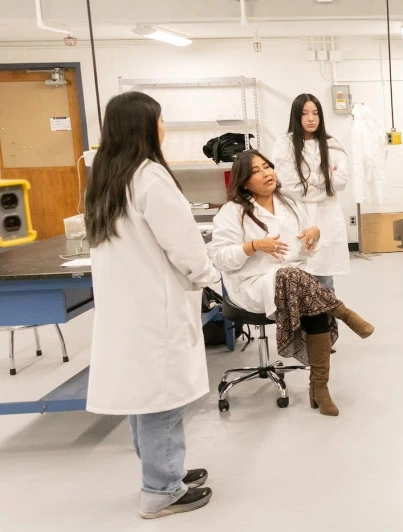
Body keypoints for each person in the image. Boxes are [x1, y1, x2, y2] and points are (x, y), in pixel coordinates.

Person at [84, 91, 220, 518]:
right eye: (160, 120)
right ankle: (161, 488)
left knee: (144, 393)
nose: (164, 127)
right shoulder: (149, 178)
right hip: (154, 307)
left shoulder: (107, 178)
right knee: (162, 394)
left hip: (128, 308)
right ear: (145, 126)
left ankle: (161, 470)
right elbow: (183, 245)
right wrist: (209, 276)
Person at [209, 151, 375, 417]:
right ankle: (342, 312)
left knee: (305, 291)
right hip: (251, 285)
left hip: (294, 281)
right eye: (256, 171)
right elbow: (218, 258)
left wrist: (314, 234)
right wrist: (253, 246)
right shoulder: (232, 212)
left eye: (267, 167)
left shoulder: (289, 204)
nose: (266, 173)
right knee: (296, 281)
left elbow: (302, 251)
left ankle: (319, 387)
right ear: (243, 182)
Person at [272, 94, 351, 292]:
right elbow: (291, 187)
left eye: (315, 113)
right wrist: (325, 177)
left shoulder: (331, 144)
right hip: (297, 217)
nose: (311, 118)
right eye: (305, 113)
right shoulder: (284, 144)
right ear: (296, 117)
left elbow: (341, 181)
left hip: (326, 218)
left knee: (325, 283)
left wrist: (308, 178)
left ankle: (327, 323)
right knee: (297, 281)